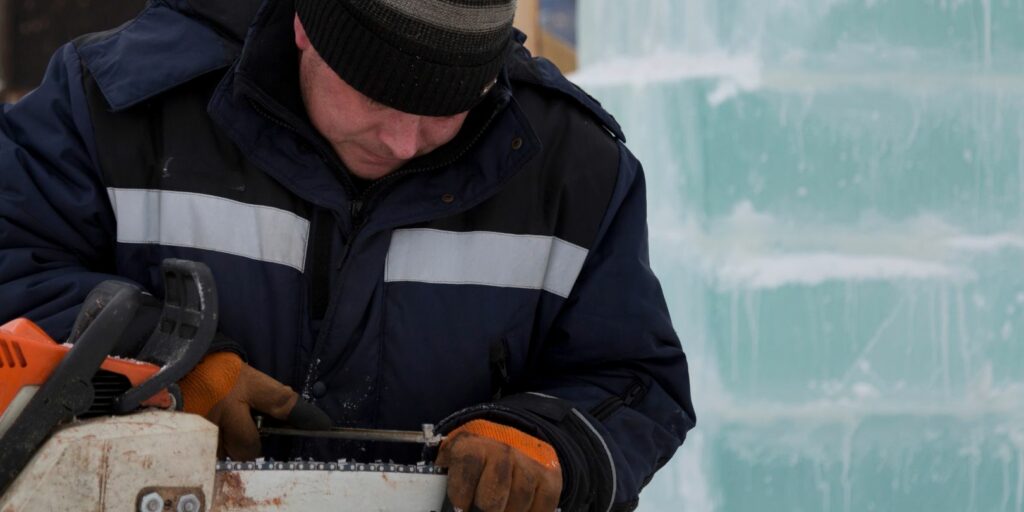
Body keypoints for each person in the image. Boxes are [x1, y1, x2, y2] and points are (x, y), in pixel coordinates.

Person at [0, 0, 696, 510]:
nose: (400, 142)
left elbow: (633, 377)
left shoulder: (573, 169)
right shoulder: (117, 103)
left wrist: (548, 441)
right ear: (308, 26)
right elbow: (12, 262)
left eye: (443, 110)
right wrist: (162, 362)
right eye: (375, 95)